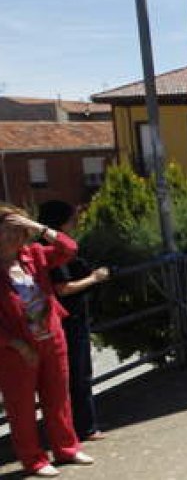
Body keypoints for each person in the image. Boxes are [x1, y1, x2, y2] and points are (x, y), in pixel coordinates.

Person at [0, 205, 94, 477]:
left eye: (20, 229)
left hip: (51, 336)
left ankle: (67, 448)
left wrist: (40, 228)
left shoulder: (34, 254)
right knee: (22, 407)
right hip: (16, 349)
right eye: (9, 230)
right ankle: (34, 460)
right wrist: (15, 344)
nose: (17, 236)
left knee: (58, 397)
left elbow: (69, 249)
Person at [42, 200, 108, 443]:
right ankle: (84, 428)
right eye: (72, 220)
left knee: (75, 376)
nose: (75, 224)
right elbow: (63, 288)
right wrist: (94, 278)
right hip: (69, 319)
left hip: (69, 317)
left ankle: (79, 428)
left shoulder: (46, 247)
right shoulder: (51, 250)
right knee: (77, 375)